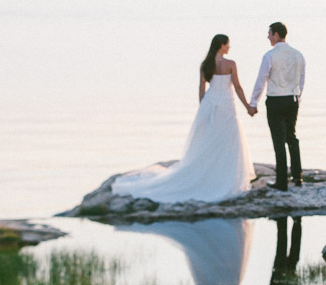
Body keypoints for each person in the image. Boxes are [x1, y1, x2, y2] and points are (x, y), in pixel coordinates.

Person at [111, 34, 255, 203]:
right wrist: (248, 107)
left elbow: (201, 89)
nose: (230, 47)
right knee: (228, 138)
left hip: (211, 103)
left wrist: (204, 108)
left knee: (209, 139)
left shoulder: (206, 65)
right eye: (228, 44)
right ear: (222, 46)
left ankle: (208, 171)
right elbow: (237, 87)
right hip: (226, 105)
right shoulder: (231, 64)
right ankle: (226, 175)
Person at [247, 22, 306, 192]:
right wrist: (298, 97)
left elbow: (261, 80)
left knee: (279, 141)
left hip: (275, 100)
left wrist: (253, 103)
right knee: (292, 137)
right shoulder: (298, 55)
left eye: (270, 33)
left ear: (277, 34)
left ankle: (282, 181)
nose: (268, 37)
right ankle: (297, 176)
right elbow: (301, 79)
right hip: (292, 99)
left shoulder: (270, 56)